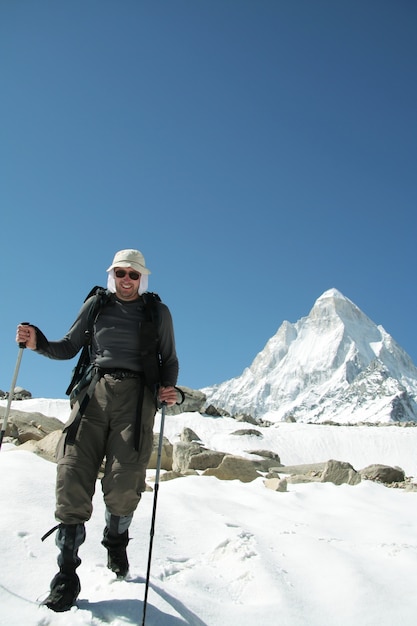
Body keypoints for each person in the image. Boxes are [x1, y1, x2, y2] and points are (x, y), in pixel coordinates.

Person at [16, 249, 179, 612]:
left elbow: (168, 359)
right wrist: (37, 342)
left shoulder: (158, 312)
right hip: (93, 395)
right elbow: (70, 346)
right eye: (120, 272)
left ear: (142, 279)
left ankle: (115, 538)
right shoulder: (96, 306)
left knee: (124, 482)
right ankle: (66, 575)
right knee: (72, 473)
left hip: (136, 402)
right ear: (112, 274)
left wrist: (169, 388)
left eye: (133, 275)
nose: (126, 279)